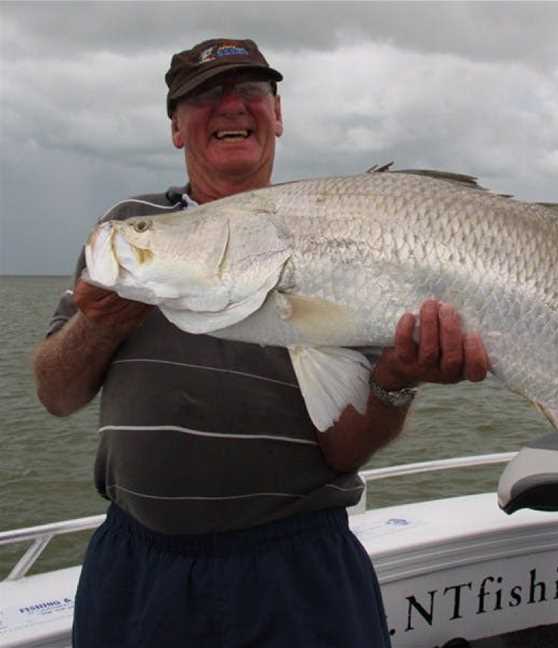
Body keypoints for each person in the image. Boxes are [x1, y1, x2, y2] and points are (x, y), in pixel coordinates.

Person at [33, 38, 489, 648]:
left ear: (277, 115)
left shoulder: (344, 239)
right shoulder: (127, 227)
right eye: (202, 96)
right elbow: (56, 394)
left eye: (250, 91)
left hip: (297, 567)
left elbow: (343, 450)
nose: (230, 106)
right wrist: (103, 321)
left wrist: (398, 378)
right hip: (138, 565)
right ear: (175, 127)